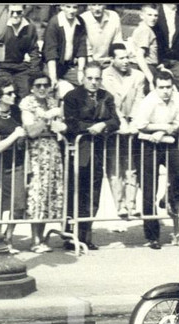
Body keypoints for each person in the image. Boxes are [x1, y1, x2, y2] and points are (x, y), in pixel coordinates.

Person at [133, 68, 179, 250]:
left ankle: (169, 198)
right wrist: (160, 129)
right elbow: (140, 125)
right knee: (148, 190)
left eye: (168, 87)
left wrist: (166, 130)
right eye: (161, 87)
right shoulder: (148, 101)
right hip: (147, 144)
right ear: (155, 87)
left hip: (167, 141)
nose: (165, 91)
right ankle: (152, 236)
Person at [63, 61, 120, 250]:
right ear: (83, 78)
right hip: (78, 151)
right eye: (90, 78)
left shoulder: (106, 96)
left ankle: (86, 236)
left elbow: (115, 120)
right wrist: (90, 128)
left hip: (97, 152)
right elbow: (71, 123)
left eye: (97, 78)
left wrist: (103, 125)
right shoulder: (72, 96)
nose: (94, 82)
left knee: (93, 194)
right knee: (75, 194)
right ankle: (71, 236)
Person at [20, 71, 66, 254]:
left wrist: (56, 125)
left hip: (52, 150)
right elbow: (31, 131)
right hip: (36, 152)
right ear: (32, 87)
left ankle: (42, 236)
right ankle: (34, 239)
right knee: (37, 193)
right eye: (38, 85)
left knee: (49, 193)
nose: (41, 88)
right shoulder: (27, 104)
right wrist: (47, 120)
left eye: (45, 85)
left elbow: (60, 127)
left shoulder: (52, 103)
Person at [102, 42, 147, 220]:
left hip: (131, 125)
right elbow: (111, 102)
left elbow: (139, 100)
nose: (126, 61)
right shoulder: (105, 76)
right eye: (121, 58)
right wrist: (121, 122)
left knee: (131, 167)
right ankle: (119, 205)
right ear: (112, 59)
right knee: (115, 167)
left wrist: (134, 122)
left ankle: (132, 204)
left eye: (127, 57)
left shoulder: (138, 76)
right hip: (114, 126)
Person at [0, 76, 27, 251]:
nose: (13, 96)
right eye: (9, 93)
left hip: (16, 163)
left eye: (14, 92)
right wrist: (15, 135)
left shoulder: (16, 111)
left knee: (18, 204)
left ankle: (8, 237)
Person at [0, 5, 41, 100]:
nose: (15, 15)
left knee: (25, 92)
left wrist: (33, 69)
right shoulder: (1, 27)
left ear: (23, 12)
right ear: (7, 12)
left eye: (18, 12)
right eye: (12, 12)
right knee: (8, 91)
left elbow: (34, 50)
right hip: (3, 67)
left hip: (21, 67)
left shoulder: (30, 27)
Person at [44, 4, 88, 94]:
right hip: (52, 65)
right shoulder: (54, 23)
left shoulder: (80, 22)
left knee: (85, 83)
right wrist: (53, 76)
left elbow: (82, 47)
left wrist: (80, 71)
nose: (71, 11)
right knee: (56, 89)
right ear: (62, 7)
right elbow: (50, 51)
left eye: (74, 7)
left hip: (68, 65)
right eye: (68, 7)